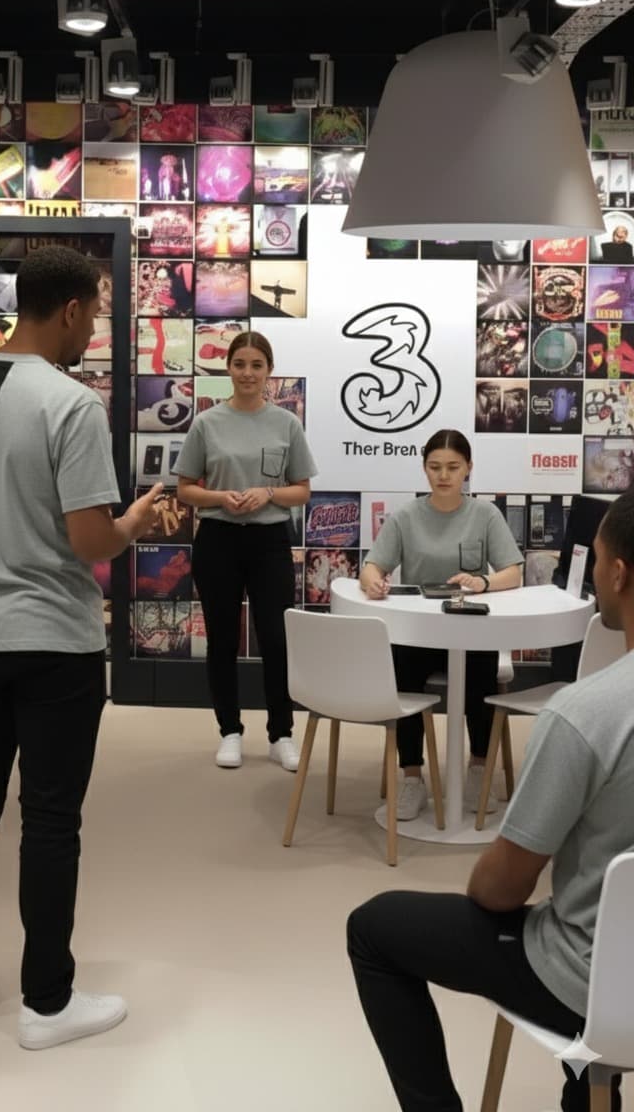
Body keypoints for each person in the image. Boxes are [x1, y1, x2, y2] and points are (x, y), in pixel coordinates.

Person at [0, 245, 161, 1049]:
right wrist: (139, 522)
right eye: (93, 313)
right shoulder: (71, 403)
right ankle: (47, 1003)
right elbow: (93, 536)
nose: (93, 329)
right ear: (68, 311)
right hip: (54, 640)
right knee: (51, 818)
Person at [347, 488, 634, 1112]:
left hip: (597, 980)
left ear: (616, 572)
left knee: (373, 930)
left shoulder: (586, 716)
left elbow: (500, 891)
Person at [358, 429, 523, 820]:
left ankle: (479, 769)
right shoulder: (407, 516)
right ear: (424, 468)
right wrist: (374, 583)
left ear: (468, 468)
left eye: (453, 467)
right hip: (420, 634)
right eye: (435, 467)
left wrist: (483, 582)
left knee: (481, 676)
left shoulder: (485, 514)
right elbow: (371, 566)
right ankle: (412, 776)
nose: (443, 475)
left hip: (469, 632)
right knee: (402, 675)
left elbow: (513, 572)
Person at [174, 331, 317, 771]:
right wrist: (221, 497)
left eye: (257, 365)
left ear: (269, 371)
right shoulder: (206, 423)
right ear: (228, 368)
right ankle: (230, 730)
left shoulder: (287, 424)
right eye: (240, 364)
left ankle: (281, 734)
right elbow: (185, 491)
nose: (248, 373)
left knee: (276, 640)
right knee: (222, 640)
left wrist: (269, 494)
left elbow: (302, 491)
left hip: (269, 542)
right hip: (218, 540)